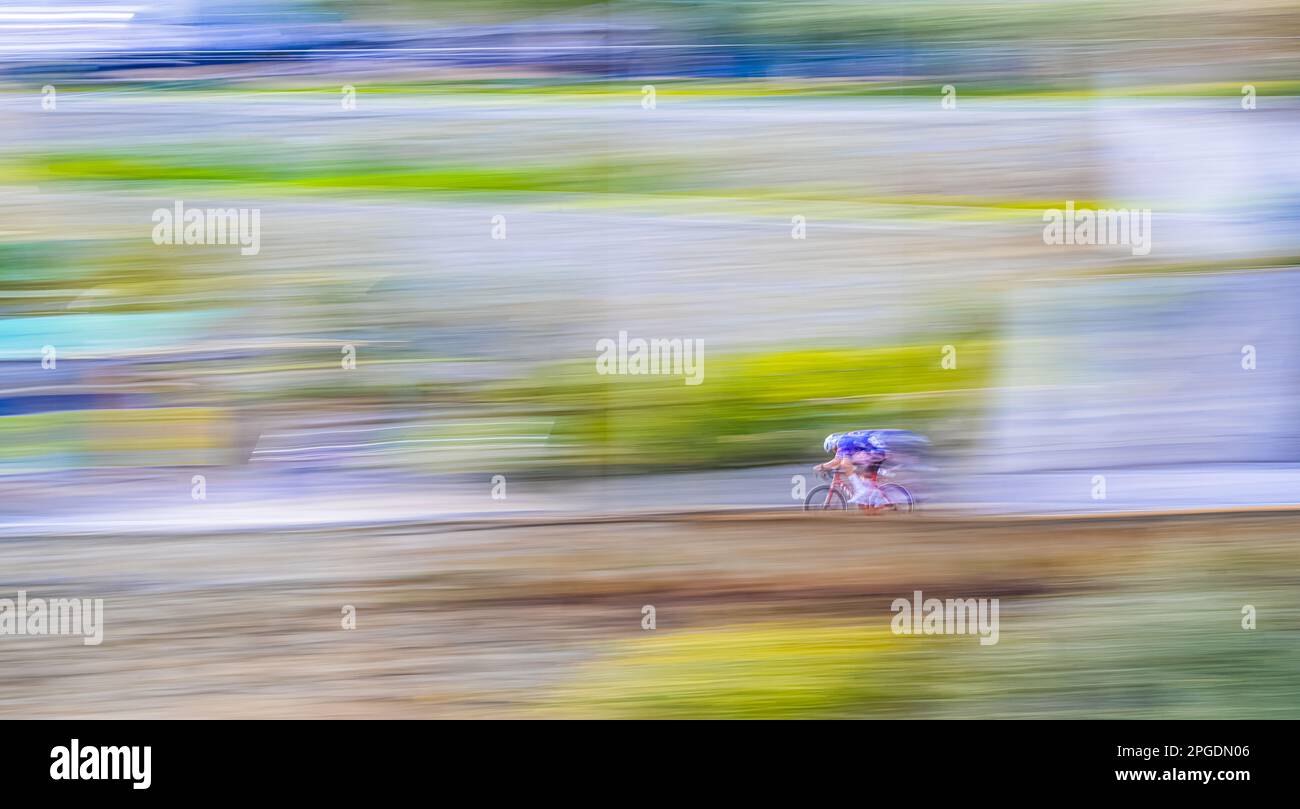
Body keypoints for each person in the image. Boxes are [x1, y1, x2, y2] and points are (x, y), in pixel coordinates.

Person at [815, 429, 890, 507]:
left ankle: (862, 491)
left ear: (833, 443)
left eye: (834, 449)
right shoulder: (846, 439)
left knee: (846, 464)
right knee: (857, 470)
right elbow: (840, 461)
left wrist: (822, 466)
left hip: (876, 451)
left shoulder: (842, 442)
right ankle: (876, 497)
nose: (835, 451)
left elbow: (837, 460)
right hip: (876, 450)